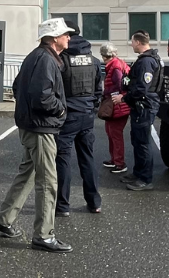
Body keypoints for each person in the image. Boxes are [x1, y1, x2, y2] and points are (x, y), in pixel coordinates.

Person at [0, 18, 74, 253]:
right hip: (41, 129)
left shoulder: (35, 56)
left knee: (28, 174)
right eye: (65, 34)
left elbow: (18, 87)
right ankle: (44, 235)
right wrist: (60, 109)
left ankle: (3, 221)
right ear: (54, 38)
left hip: (32, 126)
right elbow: (42, 96)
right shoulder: (46, 59)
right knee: (48, 181)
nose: (69, 37)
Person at [54, 19, 104, 217]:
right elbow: (99, 90)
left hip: (67, 116)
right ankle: (94, 203)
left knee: (63, 161)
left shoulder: (61, 59)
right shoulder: (93, 60)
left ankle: (62, 206)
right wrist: (92, 107)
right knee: (88, 159)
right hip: (87, 115)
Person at [113, 30, 162, 191]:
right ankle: (138, 173)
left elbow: (141, 88)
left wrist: (123, 98)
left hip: (144, 106)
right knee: (137, 140)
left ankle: (145, 179)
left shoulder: (146, 62)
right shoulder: (146, 59)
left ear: (139, 42)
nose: (131, 44)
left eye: (133, 41)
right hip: (140, 105)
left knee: (143, 143)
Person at [99, 43, 132, 174]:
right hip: (119, 103)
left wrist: (106, 92)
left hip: (117, 104)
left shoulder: (115, 66)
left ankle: (119, 163)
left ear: (104, 55)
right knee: (111, 132)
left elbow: (118, 85)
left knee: (115, 134)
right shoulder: (119, 63)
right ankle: (114, 160)